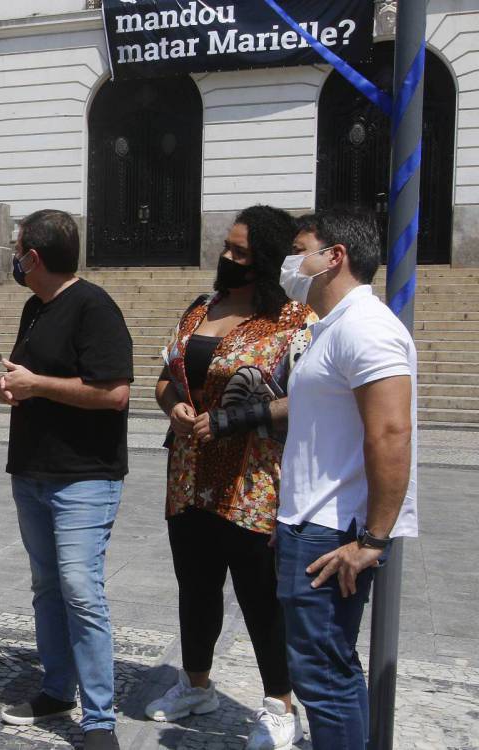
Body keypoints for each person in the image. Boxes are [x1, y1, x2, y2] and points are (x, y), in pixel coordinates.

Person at [147, 206, 312, 749]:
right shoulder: (201, 306)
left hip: (253, 482)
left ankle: (280, 704)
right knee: (196, 587)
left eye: (240, 252)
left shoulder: (293, 320)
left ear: (264, 259)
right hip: (189, 476)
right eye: (226, 246)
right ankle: (196, 685)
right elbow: (164, 378)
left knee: (261, 596)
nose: (226, 257)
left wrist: (233, 419)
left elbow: (308, 398)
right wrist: (173, 407)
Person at [276, 211, 417, 749]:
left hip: (334, 532)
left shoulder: (365, 326)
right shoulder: (331, 327)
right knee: (322, 670)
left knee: (324, 679)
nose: (292, 261)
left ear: (334, 256)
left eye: (300, 249)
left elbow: (390, 433)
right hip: (308, 523)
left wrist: (373, 540)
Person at [0, 209, 131, 750]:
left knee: (80, 590)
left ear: (34, 257)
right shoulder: (35, 307)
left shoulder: (94, 308)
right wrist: (16, 388)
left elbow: (114, 393)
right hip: (32, 471)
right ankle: (56, 688)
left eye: (18, 248)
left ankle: (100, 720)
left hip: (83, 477)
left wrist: (39, 386)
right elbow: (34, 379)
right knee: (47, 587)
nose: (14, 256)